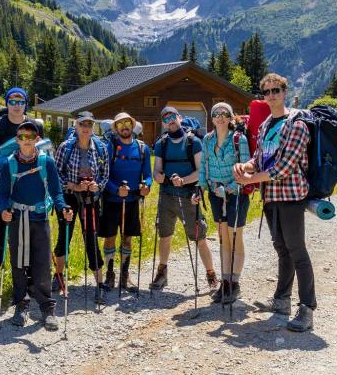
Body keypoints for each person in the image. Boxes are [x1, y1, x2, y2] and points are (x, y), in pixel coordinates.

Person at [234, 73, 315, 332]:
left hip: (291, 196)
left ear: (285, 92)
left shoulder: (297, 124)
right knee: (281, 248)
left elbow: (285, 167)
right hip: (271, 197)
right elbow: (260, 158)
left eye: (276, 90)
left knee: (297, 251)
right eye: (266, 91)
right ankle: (282, 301)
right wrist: (245, 166)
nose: (271, 95)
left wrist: (250, 179)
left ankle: (307, 309)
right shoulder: (267, 123)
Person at [0, 121, 72, 330]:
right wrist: (4, 209)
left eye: (30, 136)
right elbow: (3, 194)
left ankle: (47, 308)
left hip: (39, 219)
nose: (25, 140)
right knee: (19, 264)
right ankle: (21, 305)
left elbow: (56, 191)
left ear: (37, 139)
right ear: (17, 139)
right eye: (21, 136)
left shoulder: (46, 162)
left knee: (41, 264)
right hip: (17, 220)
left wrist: (63, 207)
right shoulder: (9, 164)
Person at [0, 87, 45, 297]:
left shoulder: (35, 125)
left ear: (26, 103)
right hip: (2, 188)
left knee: (30, 233)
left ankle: (31, 280)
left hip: (29, 187)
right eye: (12, 101)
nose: (16, 105)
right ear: (6, 103)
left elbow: (40, 153)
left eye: (20, 101)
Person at [149, 106, 218, 292]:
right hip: (166, 195)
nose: (170, 120)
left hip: (188, 196)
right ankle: (162, 273)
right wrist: (158, 177)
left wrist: (184, 181)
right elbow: (157, 169)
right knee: (165, 235)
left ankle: (211, 274)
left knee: (199, 236)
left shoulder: (193, 142)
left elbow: (200, 171)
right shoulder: (161, 143)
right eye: (166, 118)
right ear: (163, 122)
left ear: (179, 117)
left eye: (172, 116)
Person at [53, 111, 110, 304]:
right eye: (82, 125)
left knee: (91, 239)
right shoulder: (65, 147)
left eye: (89, 125)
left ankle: (99, 284)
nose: (86, 128)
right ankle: (58, 276)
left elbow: (104, 174)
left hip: (90, 199)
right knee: (64, 236)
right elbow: (56, 174)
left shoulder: (101, 148)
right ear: (76, 126)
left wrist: (97, 187)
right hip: (69, 197)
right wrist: (73, 185)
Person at [196, 102, 250, 303]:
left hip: (236, 194)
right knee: (223, 238)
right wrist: (200, 188)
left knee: (234, 237)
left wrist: (232, 187)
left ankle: (234, 283)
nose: (220, 117)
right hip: (215, 194)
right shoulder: (208, 140)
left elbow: (245, 170)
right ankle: (225, 282)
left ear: (230, 117)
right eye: (216, 114)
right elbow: (204, 166)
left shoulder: (239, 140)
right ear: (211, 118)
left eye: (224, 114)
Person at [100, 112, 152, 293]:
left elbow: (148, 175)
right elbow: (103, 176)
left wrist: (147, 186)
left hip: (132, 200)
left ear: (132, 125)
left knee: (127, 238)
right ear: (115, 127)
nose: (124, 126)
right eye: (120, 123)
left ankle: (124, 274)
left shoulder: (142, 148)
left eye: (127, 123)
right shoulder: (110, 147)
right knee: (110, 238)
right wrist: (115, 189)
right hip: (112, 200)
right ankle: (109, 274)